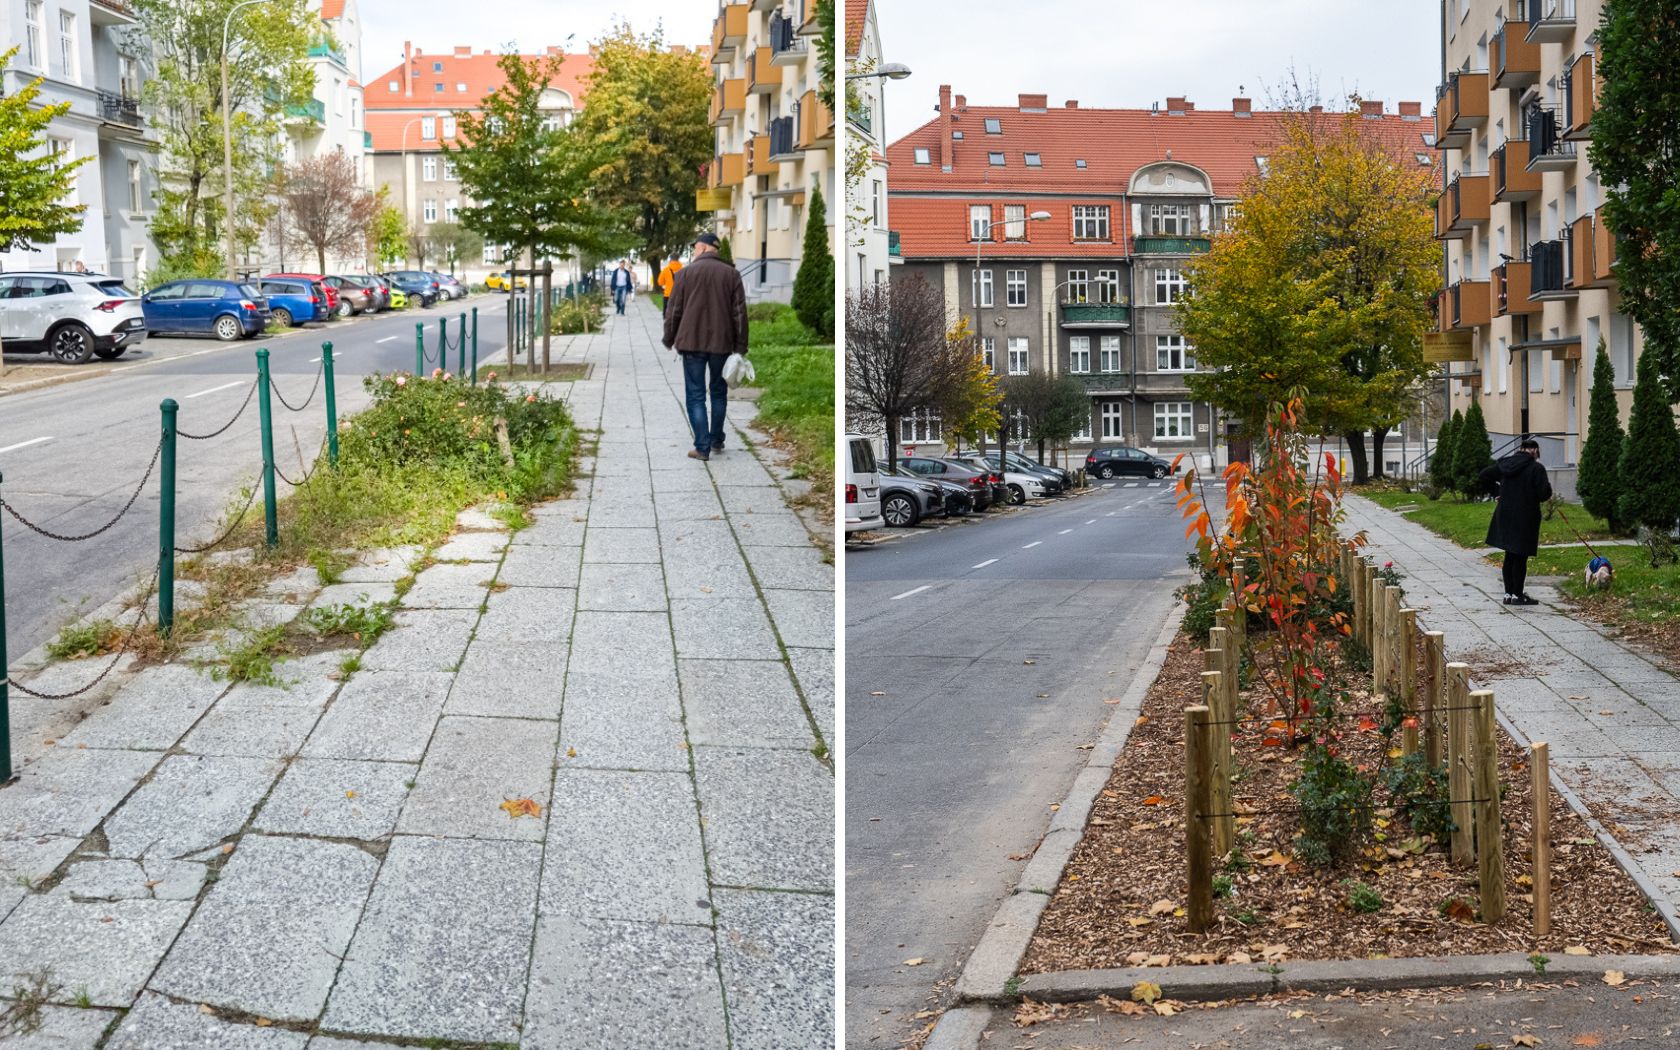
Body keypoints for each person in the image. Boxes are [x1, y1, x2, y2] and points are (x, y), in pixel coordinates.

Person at [662, 232, 747, 461]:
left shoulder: (684, 274)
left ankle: (702, 447)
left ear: (702, 248)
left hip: (691, 343)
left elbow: (674, 311)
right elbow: (739, 313)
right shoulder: (731, 274)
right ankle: (716, 439)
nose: (693, 252)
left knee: (695, 394)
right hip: (722, 343)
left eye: (694, 249)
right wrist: (740, 346)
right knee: (718, 392)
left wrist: (669, 338)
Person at [1481, 437, 1552, 606]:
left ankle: (1508, 594)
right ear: (1535, 451)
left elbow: (1484, 475)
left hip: (1505, 514)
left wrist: (1496, 492)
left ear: (1521, 449)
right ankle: (1517, 595)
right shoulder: (1536, 468)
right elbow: (1544, 494)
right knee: (1520, 555)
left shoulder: (1505, 464)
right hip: (1525, 516)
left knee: (1510, 554)